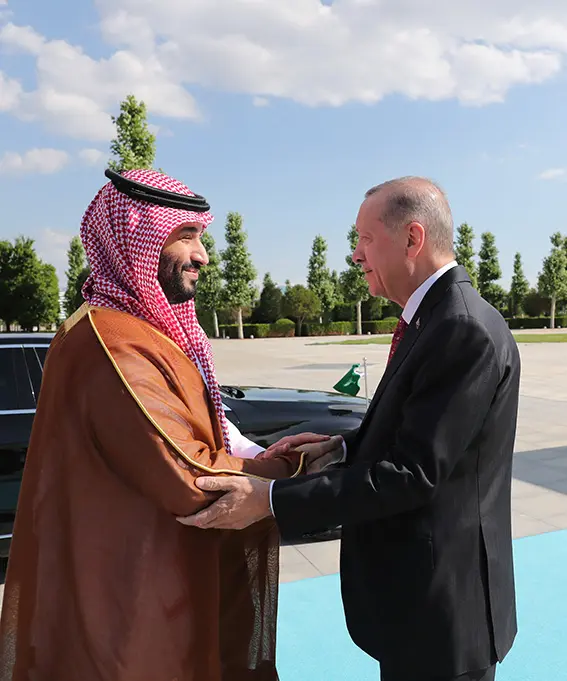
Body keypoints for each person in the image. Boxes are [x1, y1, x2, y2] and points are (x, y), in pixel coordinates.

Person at [0, 168, 340, 681]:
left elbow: (198, 430)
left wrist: (256, 455)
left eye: (201, 236)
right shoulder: (112, 344)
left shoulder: (129, 329)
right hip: (130, 610)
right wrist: (291, 469)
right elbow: (190, 478)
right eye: (186, 235)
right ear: (134, 239)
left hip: (145, 585)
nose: (202, 255)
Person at [180, 177, 521, 681]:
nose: (356, 254)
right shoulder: (434, 318)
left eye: (365, 238)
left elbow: (411, 474)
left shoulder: (460, 328)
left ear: (412, 238)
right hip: (419, 607)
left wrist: (269, 500)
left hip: (445, 617)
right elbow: (414, 431)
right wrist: (339, 446)